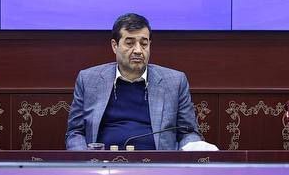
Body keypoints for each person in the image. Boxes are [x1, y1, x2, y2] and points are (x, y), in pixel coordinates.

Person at [65, 13, 216, 151]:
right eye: (130, 43)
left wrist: (194, 147)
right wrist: (86, 159)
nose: (138, 50)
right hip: (102, 164)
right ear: (115, 46)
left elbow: (188, 133)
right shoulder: (88, 79)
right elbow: (75, 132)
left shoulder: (175, 82)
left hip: (158, 165)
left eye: (144, 44)